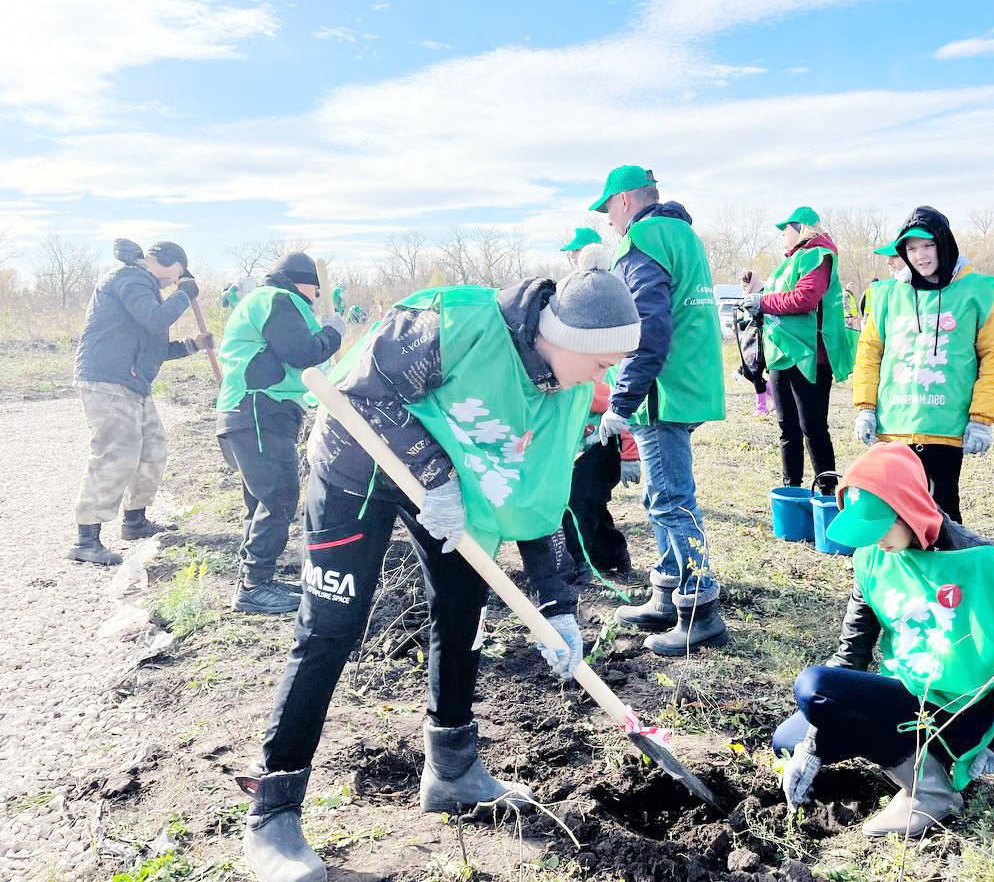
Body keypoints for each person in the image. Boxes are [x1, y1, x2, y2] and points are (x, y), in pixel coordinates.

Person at [237, 246, 640, 882]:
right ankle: (273, 810)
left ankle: (451, 767)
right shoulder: (455, 323)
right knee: (331, 629)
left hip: (455, 490)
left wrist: (558, 606)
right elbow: (358, 394)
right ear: (558, 334)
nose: (602, 378)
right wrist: (435, 475)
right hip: (359, 467)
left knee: (463, 608)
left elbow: (537, 499)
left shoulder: (567, 394)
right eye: (598, 361)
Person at [772, 442, 994, 837]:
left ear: (910, 509)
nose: (874, 539)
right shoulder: (871, 559)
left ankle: (929, 791)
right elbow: (850, 656)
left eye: (881, 527)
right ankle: (905, 752)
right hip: (907, 693)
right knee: (787, 738)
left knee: (812, 687)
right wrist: (814, 739)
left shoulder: (983, 565)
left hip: (960, 707)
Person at [590, 165, 729, 656]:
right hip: (683, 382)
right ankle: (667, 591)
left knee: (672, 499)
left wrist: (621, 402)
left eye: (608, 207)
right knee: (659, 494)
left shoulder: (644, 238)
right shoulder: (681, 234)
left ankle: (700, 610)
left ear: (625, 200)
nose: (608, 220)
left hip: (659, 391)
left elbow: (646, 328)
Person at [850, 207, 994, 523]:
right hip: (895, 423)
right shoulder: (887, 295)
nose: (920, 256)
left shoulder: (979, 293)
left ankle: (947, 568)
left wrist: (982, 418)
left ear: (944, 244)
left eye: (928, 245)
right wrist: (865, 408)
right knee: (896, 512)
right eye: (911, 248)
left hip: (945, 425)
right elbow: (870, 353)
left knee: (943, 510)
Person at [215, 252, 347, 615]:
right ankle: (254, 586)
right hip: (260, 409)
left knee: (262, 501)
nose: (317, 297)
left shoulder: (264, 300)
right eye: (316, 290)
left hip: (253, 410)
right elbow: (301, 352)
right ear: (304, 281)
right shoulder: (280, 299)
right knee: (278, 497)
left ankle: (256, 578)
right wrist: (332, 332)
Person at [67, 239, 208, 566]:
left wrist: (191, 345)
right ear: (166, 260)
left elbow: (150, 342)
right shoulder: (129, 278)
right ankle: (85, 539)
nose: (176, 280)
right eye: (177, 274)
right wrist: (184, 294)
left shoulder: (142, 287)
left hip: (132, 382)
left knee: (152, 448)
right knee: (116, 452)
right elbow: (155, 319)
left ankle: (135, 521)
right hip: (108, 378)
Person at [744, 207, 855, 495]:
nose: (782, 236)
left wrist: (763, 302)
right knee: (787, 428)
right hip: (782, 354)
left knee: (813, 429)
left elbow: (804, 298)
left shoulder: (818, 256)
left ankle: (828, 494)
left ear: (800, 228)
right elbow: (778, 294)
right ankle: (791, 489)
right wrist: (756, 294)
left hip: (810, 356)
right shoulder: (789, 262)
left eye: (785, 229)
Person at [561, 379, 640, 580]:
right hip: (572, 454)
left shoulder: (585, 386)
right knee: (578, 504)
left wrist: (630, 455)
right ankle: (610, 555)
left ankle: (583, 562)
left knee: (580, 503)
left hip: (603, 448)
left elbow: (623, 416)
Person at [741, 269, 774, 416]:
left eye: (745, 285)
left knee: (754, 371)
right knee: (749, 372)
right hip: (751, 338)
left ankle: (762, 406)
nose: (744, 289)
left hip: (761, 339)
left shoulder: (762, 293)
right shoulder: (750, 295)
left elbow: (761, 315)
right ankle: (773, 397)